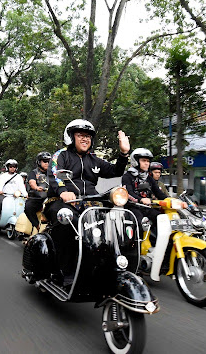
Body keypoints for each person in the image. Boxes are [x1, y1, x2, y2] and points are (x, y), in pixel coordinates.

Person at [46, 119, 130, 286]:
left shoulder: (94, 159)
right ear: (70, 137)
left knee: (116, 221)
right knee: (69, 221)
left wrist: (123, 154)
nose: (85, 139)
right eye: (81, 135)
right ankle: (61, 269)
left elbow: (115, 171)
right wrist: (64, 192)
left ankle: (111, 265)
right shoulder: (61, 155)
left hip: (89, 204)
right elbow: (55, 175)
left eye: (88, 136)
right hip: (61, 201)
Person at [121, 148, 167, 237]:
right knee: (140, 222)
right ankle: (138, 246)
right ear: (136, 161)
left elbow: (158, 193)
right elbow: (128, 193)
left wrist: (171, 200)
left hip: (146, 207)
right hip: (132, 208)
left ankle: (158, 244)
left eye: (148, 161)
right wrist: (141, 199)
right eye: (143, 161)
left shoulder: (148, 178)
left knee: (162, 219)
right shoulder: (127, 176)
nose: (147, 163)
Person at [23, 152, 51, 229]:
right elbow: (32, 182)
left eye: (49, 161)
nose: (47, 163)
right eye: (45, 161)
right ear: (39, 162)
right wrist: (36, 187)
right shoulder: (34, 172)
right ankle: (37, 226)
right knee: (28, 207)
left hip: (50, 198)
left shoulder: (53, 173)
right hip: (37, 199)